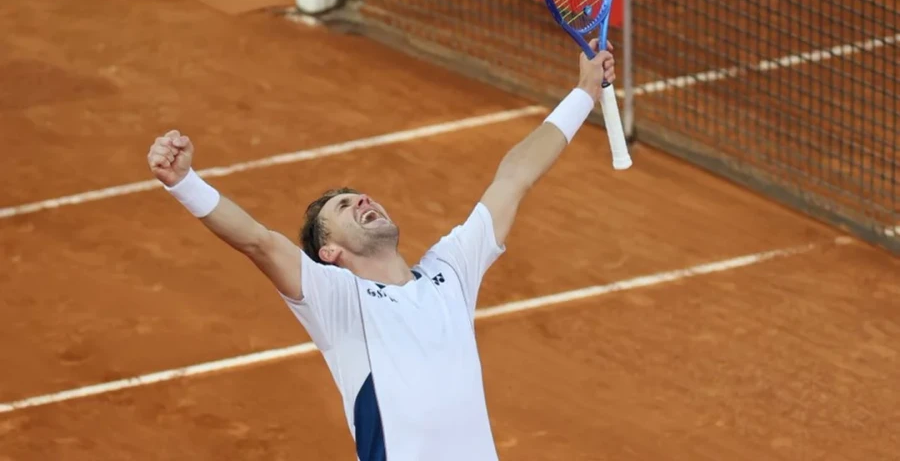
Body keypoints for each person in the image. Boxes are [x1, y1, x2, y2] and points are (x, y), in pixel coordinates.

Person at [147, 39, 617, 461]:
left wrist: (583, 93)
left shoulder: (449, 271)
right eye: (345, 207)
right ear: (328, 252)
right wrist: (185, 183)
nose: (363, 201)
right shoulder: (336, 300)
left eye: (363, 197)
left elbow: (514, 176)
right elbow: (257, 241)